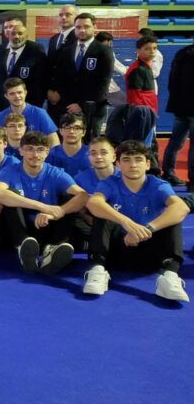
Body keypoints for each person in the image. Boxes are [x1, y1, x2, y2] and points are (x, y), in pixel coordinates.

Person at [83, 141, 189, 301]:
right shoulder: (110, 183)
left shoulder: (157, 185)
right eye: (126, 160)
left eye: (138, 159)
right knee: (102, 212)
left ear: (147, 164)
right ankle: (97, 268)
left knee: (173, 216)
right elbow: (93, 202)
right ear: (118, 164)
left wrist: (147, 229)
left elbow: (182, 207)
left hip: (150, 252)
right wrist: (126, 223)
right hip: (116, 251)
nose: (133, 165)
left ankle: (169, 274)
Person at [0, 131, 88, 274]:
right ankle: (23, 245)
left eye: (40, 150)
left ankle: (54, 247)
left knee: (69, 198)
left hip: (47, 226)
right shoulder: (10, 171)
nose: (35, 154)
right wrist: (42, 207)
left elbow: (83, 196)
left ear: (47, 153)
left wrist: (56, 213)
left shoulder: (56, 173)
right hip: (20, 227)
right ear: (21, 151)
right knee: (10, 196)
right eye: (30, 149)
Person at [47, 12, 114, 137]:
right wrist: (66, 101)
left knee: (89, 144)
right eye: (78, 27)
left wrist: (81, 105)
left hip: (91, 107)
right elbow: (61, 79)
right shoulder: (67, 50)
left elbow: (103, 83)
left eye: (86, 26)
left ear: (94, 27)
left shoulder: (103, 51)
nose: (82, 30)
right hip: (67, 106)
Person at [0, 19, 48, 111]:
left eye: (20, 33)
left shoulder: (36, 53)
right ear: (8, 35)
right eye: (13, 34)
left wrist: (36, 106)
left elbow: (40, 82)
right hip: (0, 106)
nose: (16, 36)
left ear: (26, 36)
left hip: (26, 105)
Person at [161, 39, 194, 189]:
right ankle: (193, 181)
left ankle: (168, 172)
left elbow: (172, 81)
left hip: (180, 106)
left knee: (175, 141)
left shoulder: (182, 53)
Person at [0, 79, 60, 148]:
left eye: (19, 92)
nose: (17, 96)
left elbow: (54, 141)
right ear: (6, 96)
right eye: (12, 94)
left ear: (25, 92)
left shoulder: (40, 113)